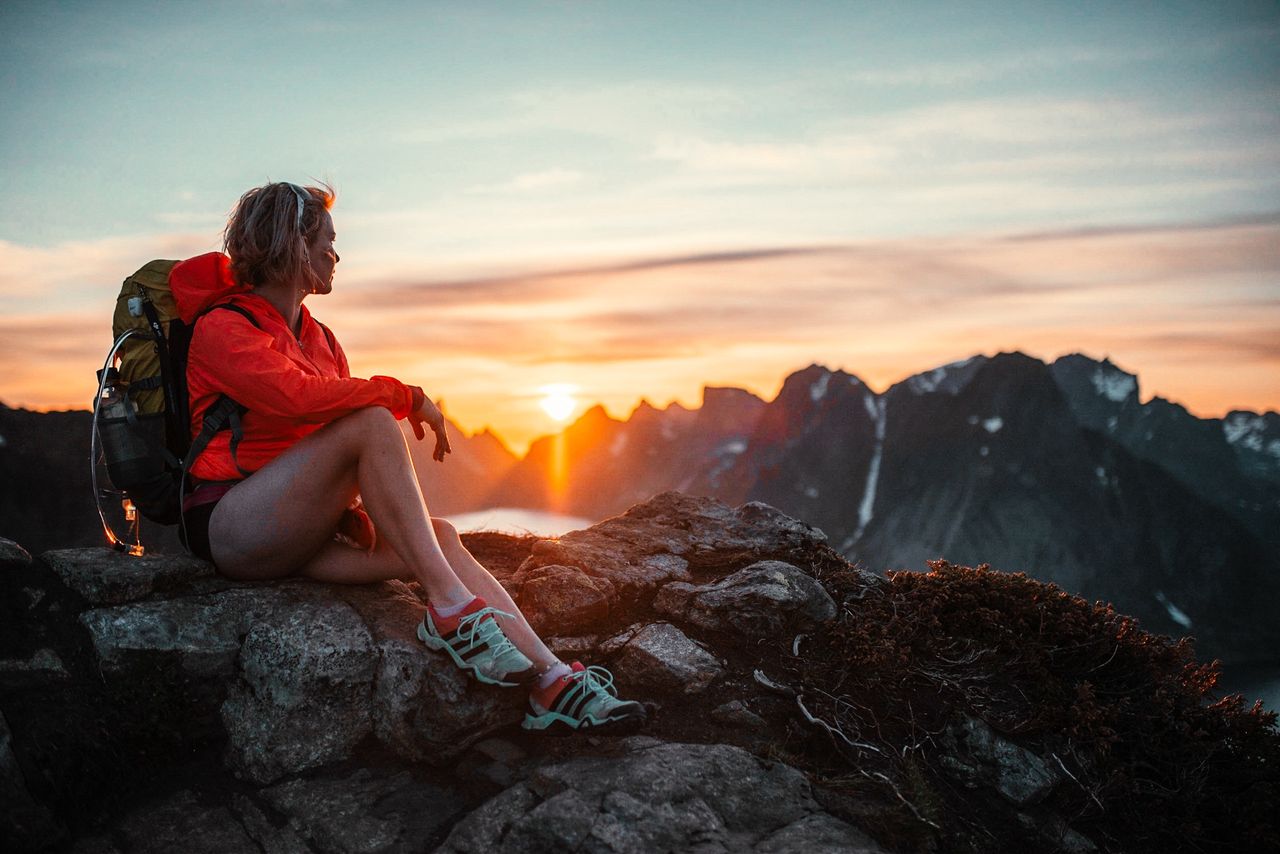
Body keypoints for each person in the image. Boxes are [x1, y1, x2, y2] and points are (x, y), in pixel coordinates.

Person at [174, 181, 645, 735]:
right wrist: (407, 397)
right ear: (295, 246)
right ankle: (451, 611)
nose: (336, 254)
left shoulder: (320, 338)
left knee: (441, 536)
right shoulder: (224, 326)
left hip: (301, 534)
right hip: (235, 527)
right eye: (327, 240)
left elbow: (327, 447)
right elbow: (295, 399)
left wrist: (365, 515)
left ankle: (552, 681)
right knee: (373, 419)